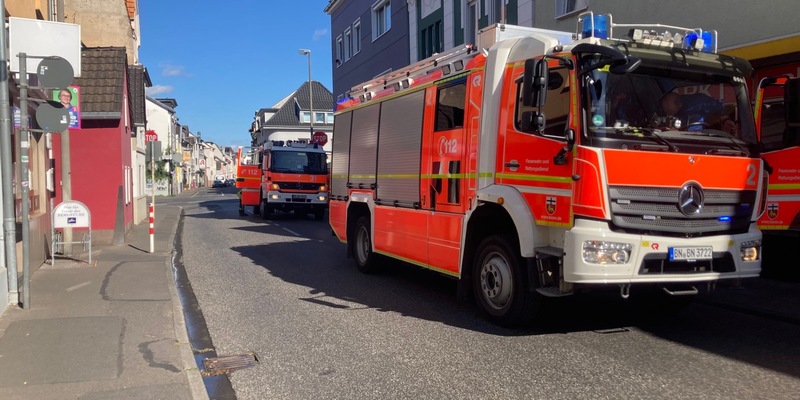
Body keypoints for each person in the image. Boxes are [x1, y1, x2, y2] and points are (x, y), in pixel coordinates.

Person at [659, 91, 726, 131]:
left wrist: (725, 119)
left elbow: (720, 106)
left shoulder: (700, 103)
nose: (668, 115)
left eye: (670, 112)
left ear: (678, 104)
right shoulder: (673, 116)